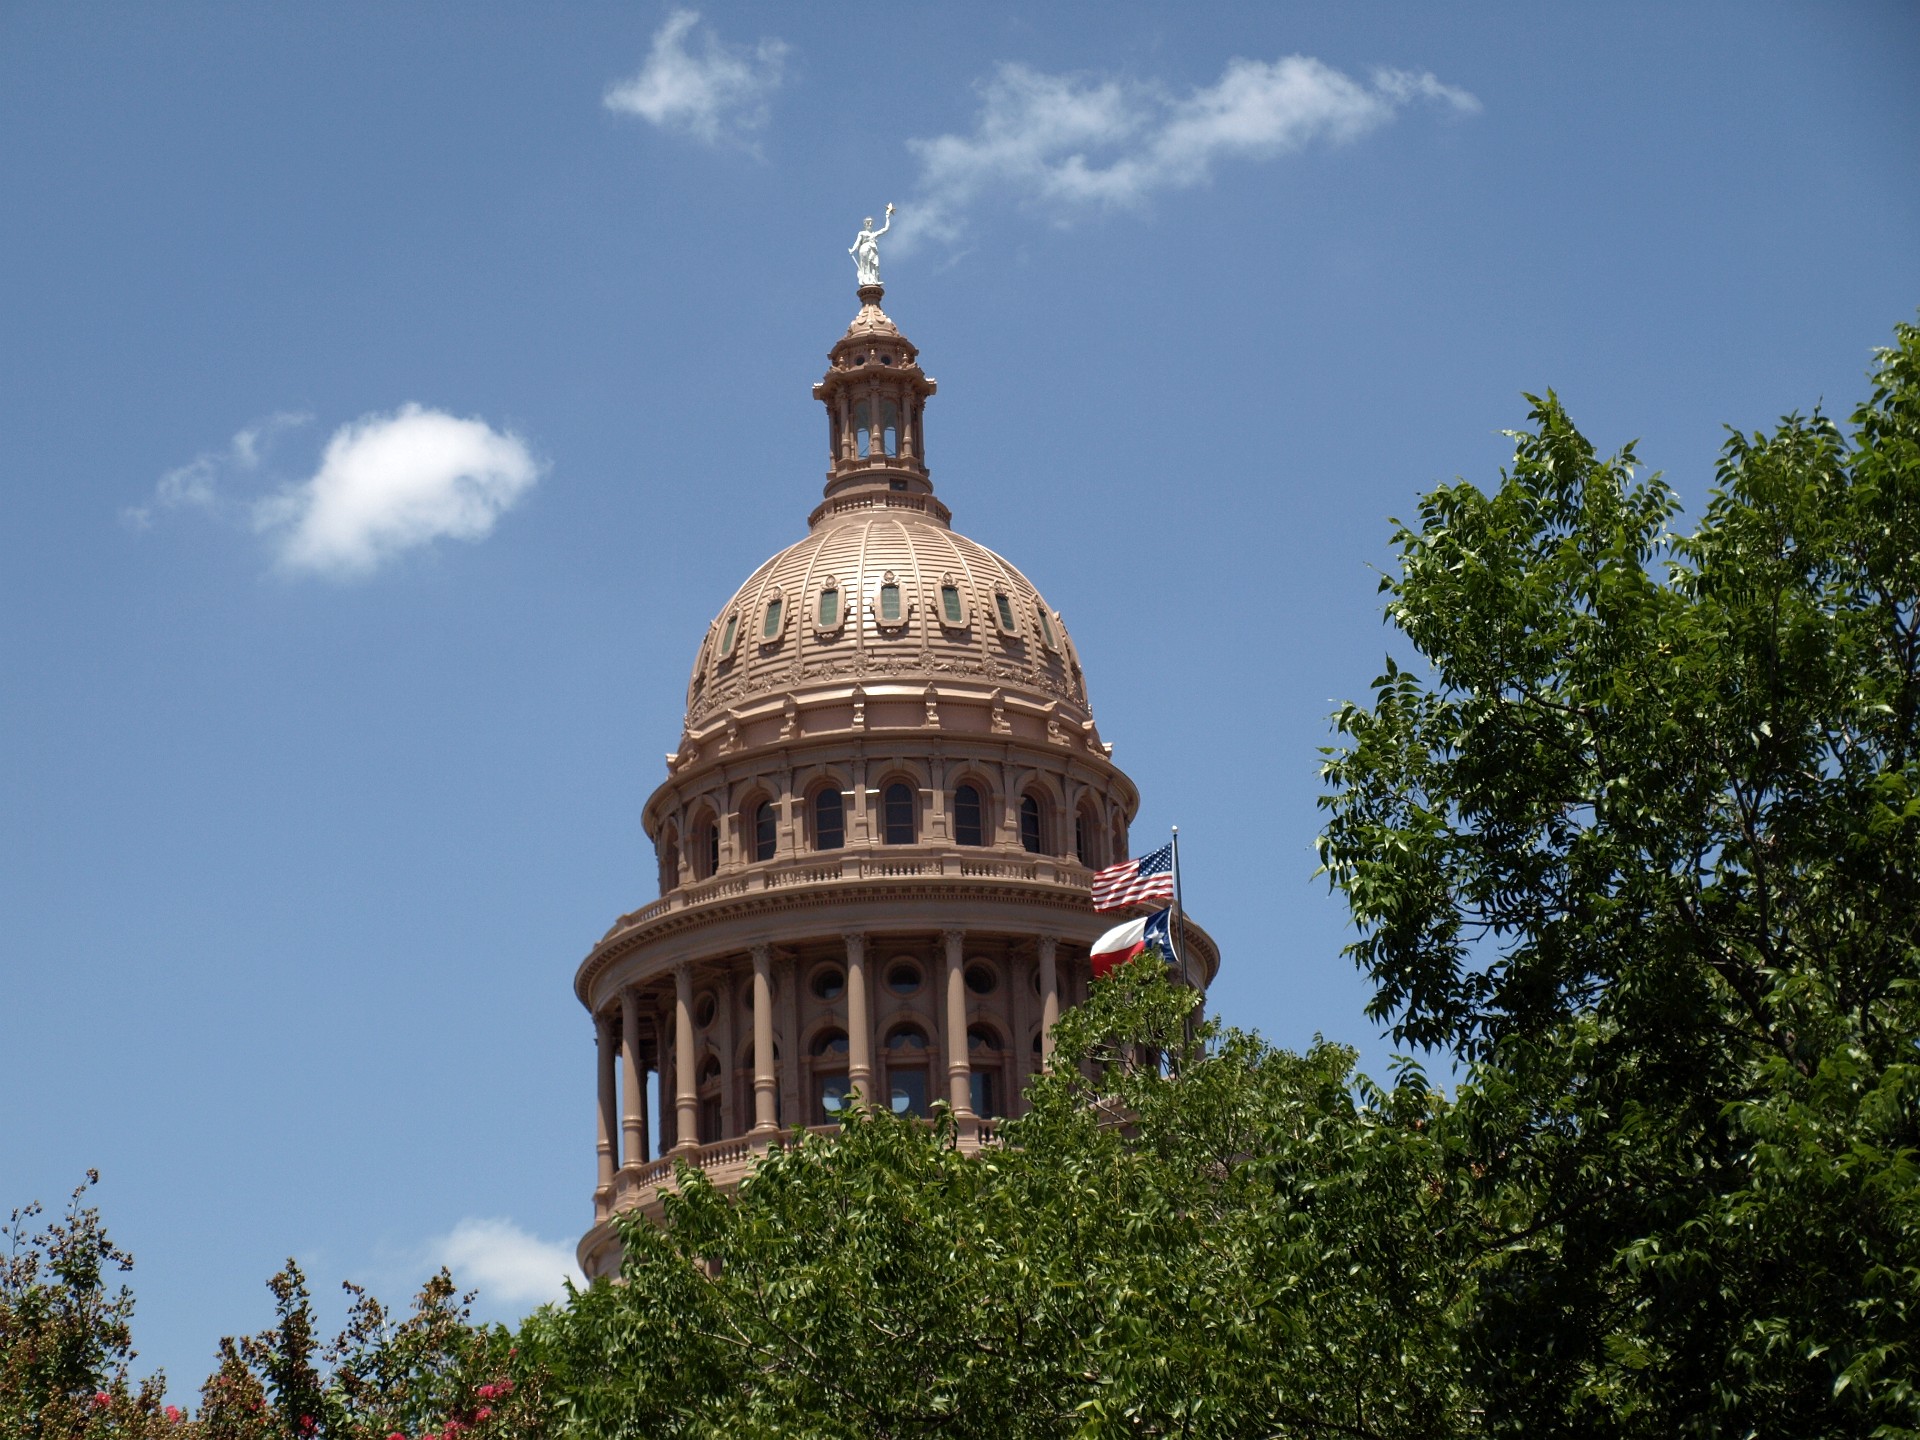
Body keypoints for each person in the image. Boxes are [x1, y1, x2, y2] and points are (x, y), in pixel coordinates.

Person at [850, 204, 894, 286]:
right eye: (867, 222)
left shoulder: (874, 234)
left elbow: (886, 229)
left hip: (873, 251)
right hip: (864, 249)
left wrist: (887, 216)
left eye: (870, 223)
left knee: (874, 265)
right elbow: (857, 242)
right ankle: (866, 280)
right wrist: (852, 249)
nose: (869, 224)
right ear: (865, 224)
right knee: (866, 265)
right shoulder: (862, 233)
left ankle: (874, 280)